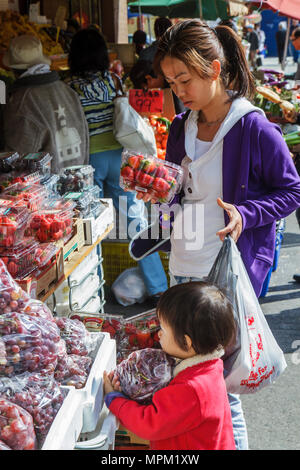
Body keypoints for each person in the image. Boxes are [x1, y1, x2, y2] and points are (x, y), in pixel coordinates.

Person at [130, 19, 300, 449]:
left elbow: (291, 190)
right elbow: (176, 194)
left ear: (214, 67)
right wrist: (157, 197)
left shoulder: (254, 129)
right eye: (171, 82)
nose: (178, 90)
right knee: (189, 383)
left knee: (220, 389)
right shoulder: (180, 127)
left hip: (225, 278)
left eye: (184, 79)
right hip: (183, 268)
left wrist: (246, 213)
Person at [65, 28, 168, 303]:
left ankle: (93, 287)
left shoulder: (68, 86)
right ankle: (159, 288)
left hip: (88, 162)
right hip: (120, 158)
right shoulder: (113, 80)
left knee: (90, 226)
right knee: (137, 222)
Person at [104, 281, 236, 450]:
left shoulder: (191, 389)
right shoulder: (210, 367)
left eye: (164, 330)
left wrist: (115, 400)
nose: (158, 334)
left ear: (186, 343)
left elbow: (149, 424)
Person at [2, 34, 89, 173]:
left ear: (12, 69)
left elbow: (16, 161)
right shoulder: (66, 90)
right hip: (77, 178)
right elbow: (84, 137)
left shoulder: (21, 102)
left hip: (46, 190)